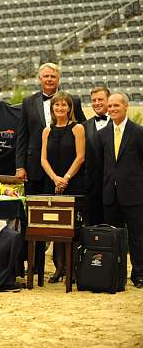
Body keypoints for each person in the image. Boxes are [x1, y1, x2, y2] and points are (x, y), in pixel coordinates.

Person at [15, 62, 86, 277]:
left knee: (63, 219)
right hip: (37, 168)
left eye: (52, 76)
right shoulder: (28, 102)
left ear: (58, 79)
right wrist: (20, 166)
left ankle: (62, 267)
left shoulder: (73, 100)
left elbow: (82, 130)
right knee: (37, 219)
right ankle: (35, 266)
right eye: (45, 76)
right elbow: (22, 135)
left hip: (66, 167)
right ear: (39, 78)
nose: (48, 79)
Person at [97, 93, 143, 288]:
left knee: (137, 237)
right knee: (113, 238)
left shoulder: (139, 132)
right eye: (110, 106)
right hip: (110, 195)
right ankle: (116, 274)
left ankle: (139, 274)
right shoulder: (102, 135)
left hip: (134, 194)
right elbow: (101, 166)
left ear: (126, 107)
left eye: (116, 105)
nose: (112, 109)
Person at [40, 92, 85, 283]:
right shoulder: (46, 131)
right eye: (56, 105)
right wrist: (55, 179)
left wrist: (65, 178)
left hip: (73, 182)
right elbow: (43, 159)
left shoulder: (78, 128)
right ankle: (59, 268)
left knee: (72, 227)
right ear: (52, 108)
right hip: (53, 182)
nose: (60, 108)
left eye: (63, 105)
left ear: (69, 108)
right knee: (56, 227)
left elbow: (80, 157)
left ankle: (73, 268)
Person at [83, 86, 110, 226]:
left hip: (114, 188)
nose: (97, 103)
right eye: (94, 100)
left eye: (101, 99)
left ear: (108, 100)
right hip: (91, 188)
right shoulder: (83, 126)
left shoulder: (119, 124)